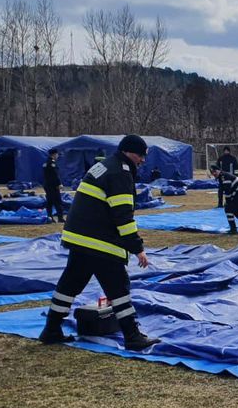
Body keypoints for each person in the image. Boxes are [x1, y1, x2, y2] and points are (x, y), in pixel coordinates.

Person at [39, 135, 160, 351]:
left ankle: (51, 328)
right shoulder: (120, 173)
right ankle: (132, 336)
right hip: (100, 241)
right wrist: (137, 248)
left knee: (69, 285)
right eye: (141, 156)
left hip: (79, 238)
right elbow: (122, 215)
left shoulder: (102, 166)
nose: (142, 160)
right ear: (129, 153)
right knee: (118, 287)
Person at [43, 148, 66, 223]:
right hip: (53, 185)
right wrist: (59, 184)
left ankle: (50, 217)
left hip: (47, 185)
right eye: (57, 154)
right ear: (54, 154)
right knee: (58, 201)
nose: (58, 156)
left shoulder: (45, 163)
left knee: (49, 201)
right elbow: (55, 175)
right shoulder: (52, 163)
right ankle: (60, 218)